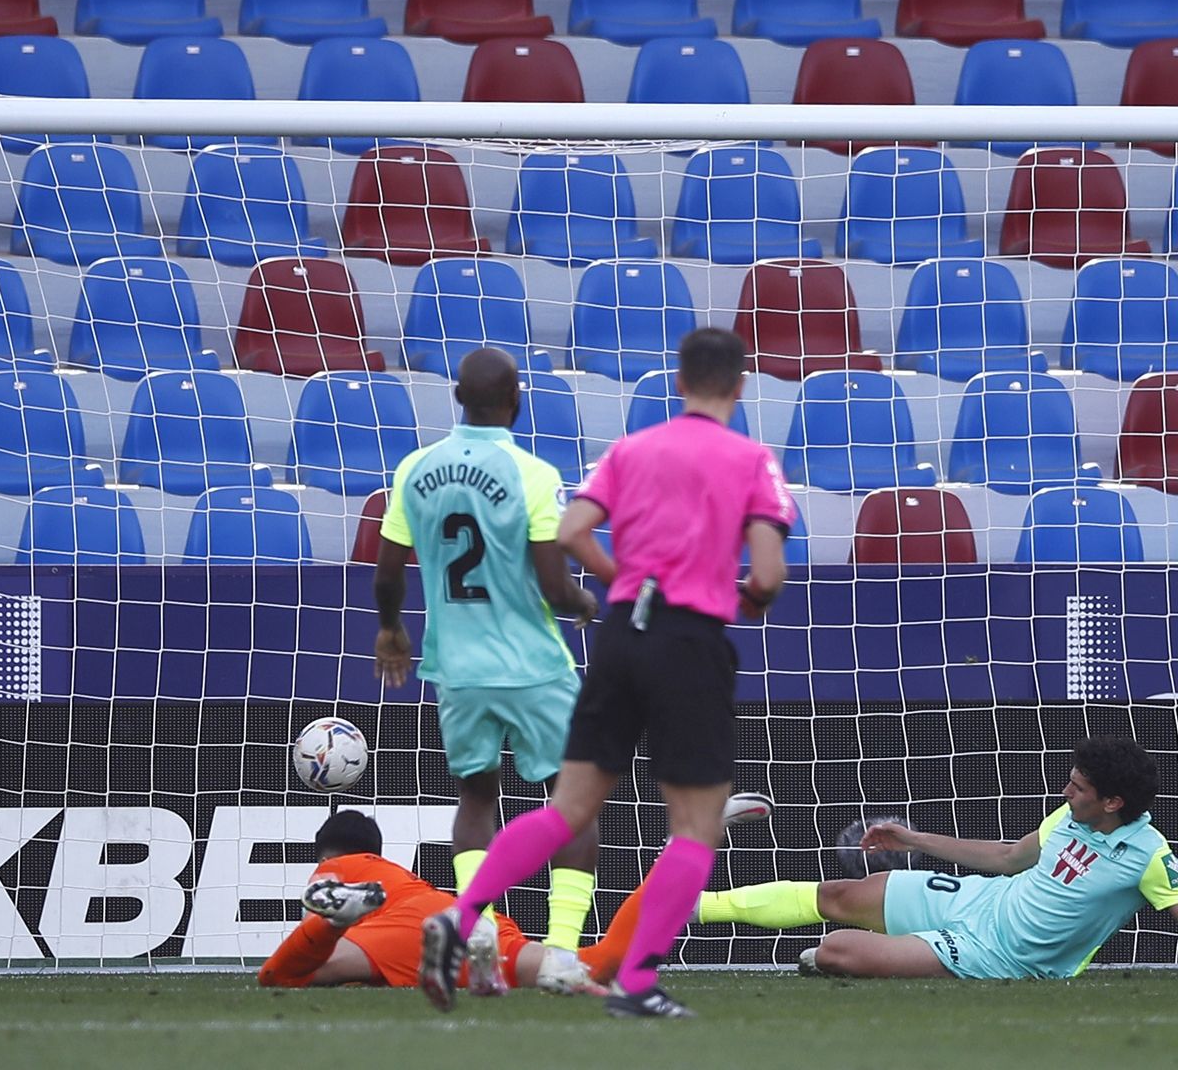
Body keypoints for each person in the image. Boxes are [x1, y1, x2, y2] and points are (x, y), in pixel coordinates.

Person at [420, 327, 793, 1019]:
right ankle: (638, 982)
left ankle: (461, 914)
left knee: (568, 808)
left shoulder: (631, 450)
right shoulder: (750, 460)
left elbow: (570, 532)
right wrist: (746, 600)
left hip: (622, 635)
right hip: (690, 639)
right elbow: (768, 571)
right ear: (739, 388)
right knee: (694, 825)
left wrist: (624, 581)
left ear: (678, 384)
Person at [371, 345, 602, 996]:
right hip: (532, 666)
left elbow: (388, 572)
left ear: (456, 399)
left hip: (458, 668)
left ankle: (482, 931)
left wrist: (391, 631)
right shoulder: (531, 473)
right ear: (516, 402)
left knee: (477, 797)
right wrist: (584, 602)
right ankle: (558, 950)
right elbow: (557, 589)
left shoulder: (415, 469)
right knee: (575, 803)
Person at [695, 737, 1177, 980]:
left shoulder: (1149, 856)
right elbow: (1010, 857)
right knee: (843, 894)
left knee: (835, 950)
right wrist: (916, 840)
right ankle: (693, 906)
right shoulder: (1071, 816)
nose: (1067, 791)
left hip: (1000, 957)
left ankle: (846, 958)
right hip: (983, 900)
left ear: (1113, 802)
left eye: (1078, 787)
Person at [258, 811, 562, 990]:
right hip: (461, 915)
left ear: (324, 855)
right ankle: (606, 959)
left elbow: (308, 937)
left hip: (405, 928)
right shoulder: (396, 874)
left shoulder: (334, 866)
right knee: (558, 969)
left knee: (284, 973)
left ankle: (336, 923)